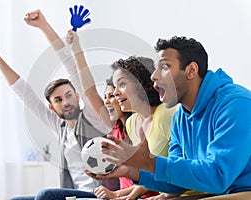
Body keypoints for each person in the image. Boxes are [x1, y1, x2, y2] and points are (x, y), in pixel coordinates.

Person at [0, 9, 120, 200]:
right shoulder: (59, 126)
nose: (66, 102)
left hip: (98, 193)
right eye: (59, 100)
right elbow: (25, 94)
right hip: (74, 193)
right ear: (52, 107)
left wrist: (44, 27)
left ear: (78, 96)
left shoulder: (92, 117)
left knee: (45, 195)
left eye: (69, 95)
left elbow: (72, 68)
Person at [90, 36, 251, 199]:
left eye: (164, 67)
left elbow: (218, 175)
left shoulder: (236, 104)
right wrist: (133, 171)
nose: (153, 76)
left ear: (191, 70)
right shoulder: (181, 117)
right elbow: (177, 182)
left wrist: (149, 162)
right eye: (154, 69)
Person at [67, 30, 178, 199]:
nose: (115, 94)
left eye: (122, 85)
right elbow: (143, 174)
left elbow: (176, 170)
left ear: (141, 84)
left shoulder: (167, 115)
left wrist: (119, 195)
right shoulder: (132, 122)